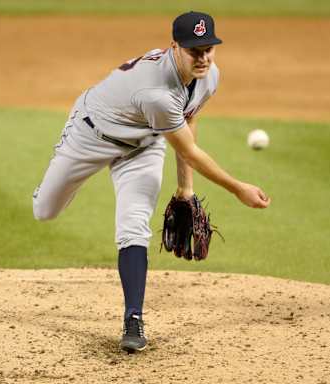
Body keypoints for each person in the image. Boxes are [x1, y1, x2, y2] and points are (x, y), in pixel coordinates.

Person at [32, 11, 271, 353]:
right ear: (175, 47)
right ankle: (63, 182)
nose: (203, 58)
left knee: (133, 226)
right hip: (90, 135)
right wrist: (238, 188)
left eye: (209, 48)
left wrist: (185, 189)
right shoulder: (155, 91)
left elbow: (189, 118)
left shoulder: (209, 76)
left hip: (142, 146)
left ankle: (133, 319)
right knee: (45, 210)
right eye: (194, 50)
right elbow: (189, 151)